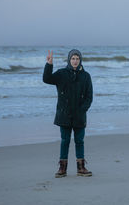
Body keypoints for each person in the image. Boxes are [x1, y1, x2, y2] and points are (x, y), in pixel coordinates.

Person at [43, 49, 93, 177]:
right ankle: (62, 169)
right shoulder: (61, 73)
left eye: (77, 58)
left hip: (79, 115)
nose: (75, 61)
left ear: (80, 60)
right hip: (64, 114)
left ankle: (81, 168)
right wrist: (49, 64)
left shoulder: (86, 76)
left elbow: (89, 96)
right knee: (65, 141)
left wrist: (82, 110)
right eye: (73, 59)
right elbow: (47, 79)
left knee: (79, 141)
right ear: (69, 60)